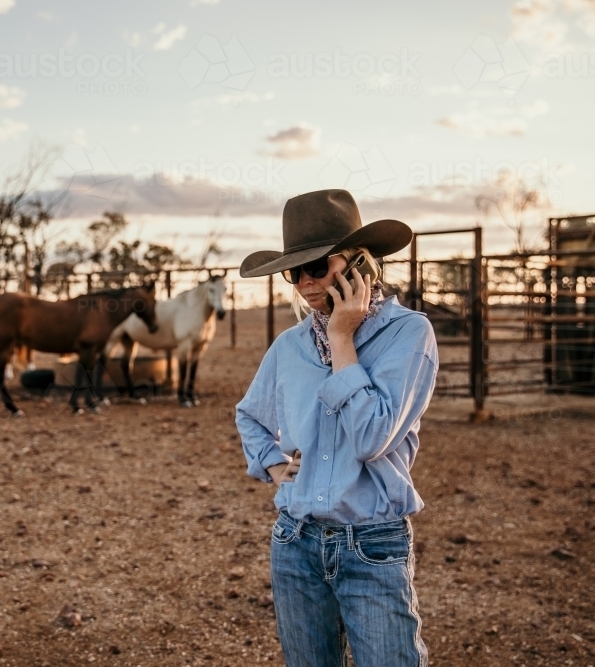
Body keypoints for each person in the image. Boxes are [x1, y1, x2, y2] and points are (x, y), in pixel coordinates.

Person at [236, 189, 438, 667]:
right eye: (294, 271)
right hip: (296, 541)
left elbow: (372, 438)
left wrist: (342, 337)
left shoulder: (409, 334)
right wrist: (274, 465)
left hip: (371, 544)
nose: (305, 284)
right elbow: (249, 414)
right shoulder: (289, 346)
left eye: (318, 266)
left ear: (359, 266)